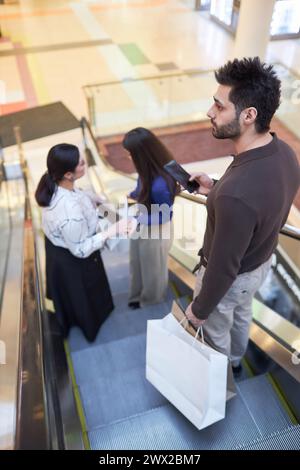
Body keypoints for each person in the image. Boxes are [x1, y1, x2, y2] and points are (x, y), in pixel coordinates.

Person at [185, 57, 300, 376]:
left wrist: (198, 310)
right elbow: (259, 201)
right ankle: (237, 359)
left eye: (219, 107)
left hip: (231, 278)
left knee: (215, 328)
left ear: (249, 115)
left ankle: (222, 376)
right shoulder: (284, 152)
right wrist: (216, 189)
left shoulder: (237, 195)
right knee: (242, 314)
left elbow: (223, 268)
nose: (210, 112)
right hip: (261, 264)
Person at [35, 143, 133, 342]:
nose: (85, 163)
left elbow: (76, 195)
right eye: (80, 164)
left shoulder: (57, 182)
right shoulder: (69, 213)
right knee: (83, 297)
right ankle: (90, 325)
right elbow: (80, 249)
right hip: (73, 260)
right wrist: (113, 230)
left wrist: (91, 197)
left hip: (60, 250)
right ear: (68, 174)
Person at [123, 127, 179, 308]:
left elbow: (165, 215)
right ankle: (137, 296)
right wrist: (134, 194)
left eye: (130, 153)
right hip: (143, 219)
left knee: (153, 269)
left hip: (156, 227)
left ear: (142, 155)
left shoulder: (160, 184)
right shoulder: (150, 169)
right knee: (137, 262)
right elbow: (142, 186)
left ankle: (151, 302)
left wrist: (137, 220)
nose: (128, 156)